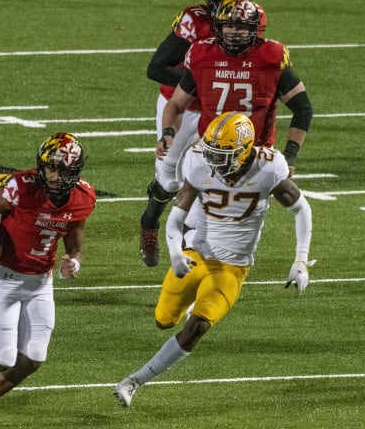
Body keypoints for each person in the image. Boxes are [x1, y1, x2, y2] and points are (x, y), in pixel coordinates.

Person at [114, 111, 315, 407]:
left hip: (234, 266)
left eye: (224, 155)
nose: (215, 161)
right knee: (163, 320)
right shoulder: (198, 161)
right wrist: (176, 253)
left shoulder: (269, 168)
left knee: (197, 327)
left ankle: (133, 381)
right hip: (197, 254)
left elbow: (302, 209)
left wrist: (300, 259)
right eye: (212, 153)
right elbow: (174, 220)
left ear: (245, 151)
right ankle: (190, 304)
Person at [0, 133, 96, 429]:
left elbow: (75, 245)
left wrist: (74, 263)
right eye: (51, 167)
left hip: (41, 282)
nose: (55, 175)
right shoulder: (20, 188)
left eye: (63, 169)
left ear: (76, 170)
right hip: (4, 277)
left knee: (33, 359)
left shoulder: (84, 198)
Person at [140, 0, 267, 267]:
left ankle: (189, 251)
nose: (234, 20)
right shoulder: (195, 21)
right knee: (168, 180)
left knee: (205, 176)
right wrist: (200, 80)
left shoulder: (253, 20)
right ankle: (149, 221)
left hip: (218, 110)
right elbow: (156, 68)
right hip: (180, 105)